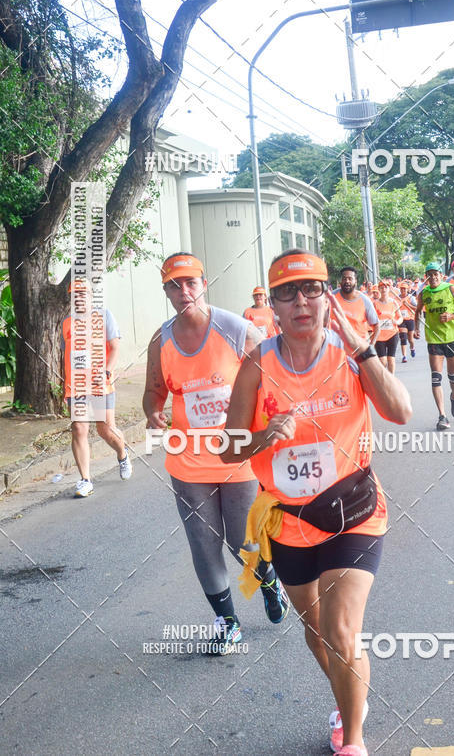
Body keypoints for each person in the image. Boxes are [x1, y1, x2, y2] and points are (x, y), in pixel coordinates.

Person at [221, 249, 412, 756]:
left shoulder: (351, 353)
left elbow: (400, 411)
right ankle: (352, 697)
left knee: (341, 629)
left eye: (311, 289)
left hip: (353, 513)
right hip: (287, 523)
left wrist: (364, 349)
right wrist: (263, 436)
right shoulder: (257, 364)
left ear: (326, 298)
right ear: (272, 307)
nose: (300, 301)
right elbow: (228, 446)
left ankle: (352, 740)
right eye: (287, 293)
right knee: (317, 634)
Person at [142, 252, 289, 654]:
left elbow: (275, 380)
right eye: (174, 284)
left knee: (242, 545)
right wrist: (154, 413)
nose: (183, 291)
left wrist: (270, 428)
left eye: (190, 282)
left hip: (237, 454)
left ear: (203, 283)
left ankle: (269, 581)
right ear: (166, 291)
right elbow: (153, 392)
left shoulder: (236, 329)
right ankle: (227, 621)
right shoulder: (162, 339)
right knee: (204, 542)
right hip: (188, 460)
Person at [61, 279, 131, 498]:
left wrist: (107, 371)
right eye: (75, 294)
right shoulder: (66, 323)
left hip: (100, 383)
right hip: (77, 386)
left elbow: (115, 346)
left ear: (91, 295)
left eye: (83, 293)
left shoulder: (104, 316)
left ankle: (122, 454)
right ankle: (85, 480)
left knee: (105, 430)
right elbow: (66, 356)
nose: (79, 297)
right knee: (79, 429)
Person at [413, 263, 454, 431]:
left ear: (441, 275)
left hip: (452, 338)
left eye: (435, 274)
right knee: (436, 378)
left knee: (452, 376)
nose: (433, 277)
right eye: (429, 274)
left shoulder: (451, 289)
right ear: (426, 277)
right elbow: (418, 311)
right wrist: (416, 329)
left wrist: (453, 315)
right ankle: (442, 416)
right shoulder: (424, 293)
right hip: (434, 340)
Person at [333, 266, 380, 347]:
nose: (347, 281)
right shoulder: (331, 297)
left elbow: (376, 325)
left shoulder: (365, 300)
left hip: (358, 348)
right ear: (340, 281)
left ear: (355, 281)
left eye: (350, 279)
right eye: (344, 278)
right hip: (336, 348)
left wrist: (371, 345)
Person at [373, 281, 401, 373]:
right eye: (381, 287)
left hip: (392, 333)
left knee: (391, 359)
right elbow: (370, 319)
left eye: (385, 287)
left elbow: (400, 317)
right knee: (382, 361)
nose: (383, 289)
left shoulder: (393, 303)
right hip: (379, 335)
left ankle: (391, 379)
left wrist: (396, 321)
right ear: (379, 289)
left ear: (389, 289)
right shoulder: (375, 304)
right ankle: (384, 378)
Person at [396, 282, 417, 362]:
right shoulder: (397, 298)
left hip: (410, 319)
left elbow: (416, 307)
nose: (403, 290)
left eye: (404, 289)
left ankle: (412, 347)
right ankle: (404, 356)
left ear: (407, 289)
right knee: (403, 338)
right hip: (401, 320)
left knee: (410, 339)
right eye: (401, 289)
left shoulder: (411, 297)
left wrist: (408, 304)